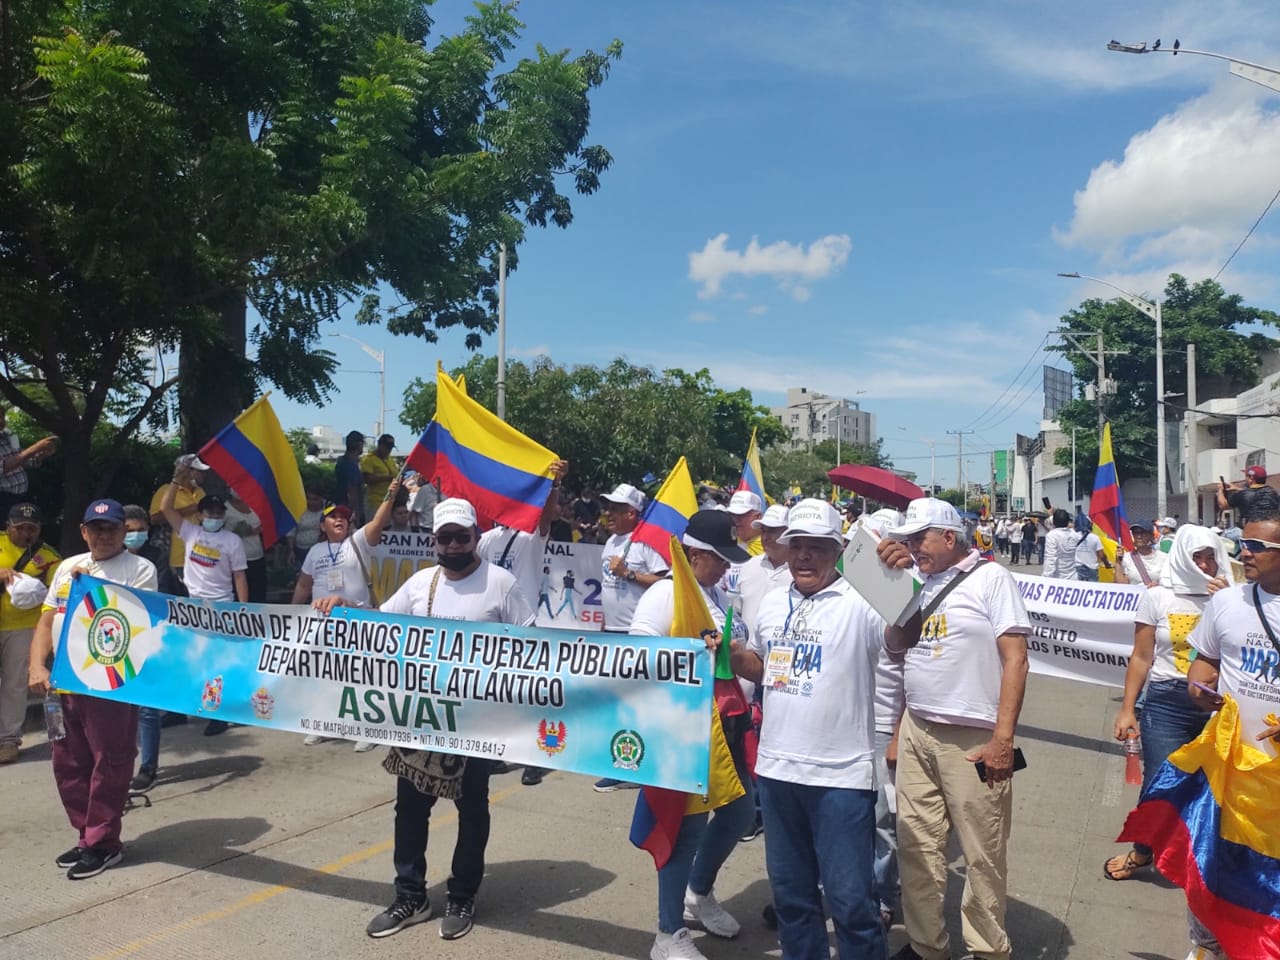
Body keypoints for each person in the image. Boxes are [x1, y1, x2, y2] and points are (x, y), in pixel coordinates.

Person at [362, 497, 535, 942]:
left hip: (478, 723)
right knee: (410, 811)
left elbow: (534, 648)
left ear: (476, 537)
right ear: (433, 541)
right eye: (446, 538)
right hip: (422, 721)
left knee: (472, 809)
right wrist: (341, 606)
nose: (455, 545)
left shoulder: (501, 583)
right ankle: (411, 896)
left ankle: (462, 894)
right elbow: (378, 628)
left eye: (463, 536)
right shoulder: (421, 584)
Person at [732, 498, 887, 959]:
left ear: (838, 550)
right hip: (778, 772)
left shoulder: (863, 602)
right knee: (793, 900)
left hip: (840, 778)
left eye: (817, 547)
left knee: (851, 904)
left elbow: (904, 636)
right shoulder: (773, 601)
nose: (804, 555)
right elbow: (765, 668)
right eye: (796, 545)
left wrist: (896, 584)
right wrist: (737, 656)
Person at [878, 497, 1032, 960]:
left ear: (949, 537)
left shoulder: (991, 578)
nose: (911, 546)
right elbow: (896, 644)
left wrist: (1003, 740)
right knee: (917, 845)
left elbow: (1016, 660)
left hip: (974, 741)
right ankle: (927, 945)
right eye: (906, 538)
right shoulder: (919, 584)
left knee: (982, 852)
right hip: (919, 728)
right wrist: (893, 586)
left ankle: (987, 949)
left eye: (919, 537)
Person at [631, 510, 753, 960]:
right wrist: (688, 652)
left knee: (741, 815)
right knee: (686, 829)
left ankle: (697, 893)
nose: (726, 566)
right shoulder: (665, 592)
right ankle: (668, 933)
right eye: (720, 558)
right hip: (687, 729)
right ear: (696, 554)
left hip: (729, 722)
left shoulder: (714, 590)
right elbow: (639, 650)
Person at [28, 499, 158, 879]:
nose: (103, 535)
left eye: (111, 528)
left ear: (123, 532)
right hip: (63, 684)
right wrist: (37, 664)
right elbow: (46, 619)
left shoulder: (139, 569)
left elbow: (137, 619)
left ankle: (104, 842)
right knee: (68, 760)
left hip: (109, 685)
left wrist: (93, 585)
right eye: (95, 529)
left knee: (110, 761)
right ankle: (86, 834)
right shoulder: (68, 567)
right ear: (84, 532)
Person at [1104, 525, 1229, 883]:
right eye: (1197, 557)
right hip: (1167, 702)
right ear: (1181, 558)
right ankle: (1144, 852)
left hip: (1219, 705)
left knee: (1215, 786)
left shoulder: (1231, 596)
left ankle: (1202, 858)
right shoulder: (1158, 597)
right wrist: (1128, 708)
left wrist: (1228, 599)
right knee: (1161, 781)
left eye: (1211, 557)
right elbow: (1141, 657)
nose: (1205, 565)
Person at [1185, 507, 1280, 959]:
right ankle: (1210, 945)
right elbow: (1204, 662)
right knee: (1212, 857)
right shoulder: (1226, 603)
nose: (1245, 553)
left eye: (1257, 546)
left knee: (1270, 870)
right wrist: (1198, 686)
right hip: (1228, 765)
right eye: (1243, 543)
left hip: (1276, 780)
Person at [476, 460, 567, 785]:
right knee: (498, 693)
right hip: (494, 627)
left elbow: (546, 518)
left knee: (530, 694)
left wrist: (554, 485)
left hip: (526, 624)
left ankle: (535, 758)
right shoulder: (487, 540)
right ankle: (497, 752)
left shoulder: (530, 536)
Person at [293, 478, 400, 750]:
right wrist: (291, 616)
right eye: (333, 517)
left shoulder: (359, 542)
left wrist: (390, 493)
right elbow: (305, 585)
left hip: (357, 622)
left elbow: (377, 523)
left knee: (362, 676)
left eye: (344, 516)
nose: (339, 519)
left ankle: (368, 729)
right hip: (321, 624)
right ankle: (322, 723)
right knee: (324, 675)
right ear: (322, 525)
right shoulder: (315, 551)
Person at [596, 482, 669, 792]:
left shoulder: (646, 543)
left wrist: (629, 573)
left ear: (632, 512)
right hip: (613, 632)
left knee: (637, 703)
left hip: (638, 634)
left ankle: (636, 764)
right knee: (617, 702)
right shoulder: (612, 540)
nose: (609, 513)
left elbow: (666, 583)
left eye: (615, 508)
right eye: (608, 507)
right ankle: (623, 759)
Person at [161, 488, 248, 736]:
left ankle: (217, 713)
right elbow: (166, 509)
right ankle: (178, 711)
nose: (215, 516)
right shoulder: (190, 532)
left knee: (215, 664)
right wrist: (177, 480)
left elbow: (239, 575)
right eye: (210, 512)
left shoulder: (233, 541)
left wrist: (243, 608)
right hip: (192, 606)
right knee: (185, 659)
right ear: (199, 515)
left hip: (221, 606)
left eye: (220, 513)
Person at [122, 505, 186, 791]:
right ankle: (116, 765)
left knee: (147, 709)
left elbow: (155, 596)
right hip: (115, 639)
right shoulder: (105, 558)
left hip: (149, 636)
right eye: (129, 530)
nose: (135, 535)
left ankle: (148, 767)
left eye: (140, 530)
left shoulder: (155, 559)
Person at [0, 503, 60, 764]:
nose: (26, 534)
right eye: (20, 528)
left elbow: (59, 590)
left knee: (14, 685)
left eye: (31, 529)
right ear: (8, 527)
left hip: (23, 627)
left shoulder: (49, 557)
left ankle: (8, 739)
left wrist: (38, 590)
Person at [149, 453, 209, 581]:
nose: (204, 475)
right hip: (173, 556)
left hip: (199, 555)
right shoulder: (165, 490)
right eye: (199, 471)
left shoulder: (200, 492)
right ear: (187, 472)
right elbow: (155, 519)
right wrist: (190, 509)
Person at [0, 407, 56, 519]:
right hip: (3, 501)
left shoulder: (7, 437)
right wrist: (35, 448)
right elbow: (3, 467)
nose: (1, 421)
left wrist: (41, 455)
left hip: (21, 498)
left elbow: (24, 461)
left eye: (2, 416)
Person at [225, 492, 266, 603]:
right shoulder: (226, 509)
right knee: (239, 593)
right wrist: (239, 532)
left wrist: (258, 530)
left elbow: (265, 522)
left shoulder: (255, 505)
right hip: (236, 559)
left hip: (257, 555)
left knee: (258, 593)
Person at [1114, 521, 1168, 587]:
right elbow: (1121, 586)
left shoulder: (1164, 558)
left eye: (1143, 533)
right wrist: (1118, 562)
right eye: (1136, 533)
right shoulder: (1126, 558)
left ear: (1151, 536)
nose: (1139, 536)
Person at [361, 433, 398, 519]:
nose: (389, 450)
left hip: (389, 502)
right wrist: (386, 478)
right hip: (374, 502)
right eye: (387, 447)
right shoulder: (369, 459)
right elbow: (366, 479)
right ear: (380, 445)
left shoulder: (390, 461)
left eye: (390, 448)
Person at [333, 430, 366, 524]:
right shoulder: (351, 465)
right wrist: (356, 512)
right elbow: (352, 490)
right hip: (349, 510)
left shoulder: (341, 462)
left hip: (340, 506)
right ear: (359, 445)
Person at [291, 488, 325, 569]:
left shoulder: (329, 507)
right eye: (308, 499)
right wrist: (291, 550)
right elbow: (291, 531)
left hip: (321, 550)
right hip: (301, 550)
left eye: (315, 499)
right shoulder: (299, 508)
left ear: (321, 498)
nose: (311, 502)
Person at [1041, 509, 1078, 580]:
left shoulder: (1052, 535)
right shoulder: (1074, 534)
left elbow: (1050, 558)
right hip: (1073, 576)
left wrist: (1045, 578)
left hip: (1058, 577)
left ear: (1054, 521)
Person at [726, 490, 764, 556]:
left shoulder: (770, 547)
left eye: (741, 514)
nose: (735, 519)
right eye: (732, 514)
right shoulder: (726, 543)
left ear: (758, 516)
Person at [1074, 518, 1111, 582]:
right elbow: (1101, 555)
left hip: (1078, 568)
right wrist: (1107, 564)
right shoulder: (1095, 538)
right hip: (1092, 569)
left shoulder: (1074, 537)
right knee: (1092, 590)